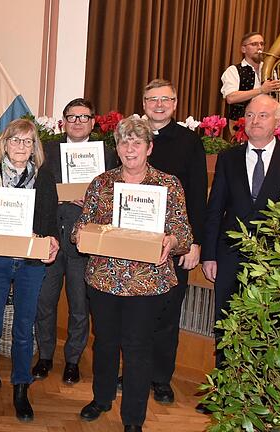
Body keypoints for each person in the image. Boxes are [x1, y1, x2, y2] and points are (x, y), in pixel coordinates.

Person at [73, 116, 192, 432]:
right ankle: (101, 399)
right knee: (105, 344)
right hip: (104, 279)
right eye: (124, 142)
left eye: (137, 142)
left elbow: (183, 232)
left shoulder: (168, 185)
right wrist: (83, 232)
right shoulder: (101, 183)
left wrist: (173, 241)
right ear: (117, 147)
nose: (130, 148)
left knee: (138, 351)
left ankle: (134, 419)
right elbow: (79, 227)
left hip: (147, 285)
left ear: (149, 148)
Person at [200, 95, 280, 405]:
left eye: (263, 115)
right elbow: (215, 209)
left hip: (276, 260)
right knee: (226, 324)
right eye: (249, 115)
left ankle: (259, 395)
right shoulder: (228, 157)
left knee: (270, 328)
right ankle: (224, 392)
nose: (255, 121)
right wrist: (209, 254)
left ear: (278, 122)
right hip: (230, 254)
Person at [0, 118, 60, 422]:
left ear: (35, 147)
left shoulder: (45, 179)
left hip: (31, 264)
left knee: (23, 329)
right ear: (4, 143)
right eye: (16, 140)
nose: (21, 146)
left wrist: (53, 242)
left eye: (27, 141)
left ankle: (21, 388)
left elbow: (50, 223)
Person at [33, 98, 118, 384]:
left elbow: (113, 200)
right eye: (72, 117)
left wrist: (93, 201)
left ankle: (72, 360)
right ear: (63, 121)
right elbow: (37, 192)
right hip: (52, 240)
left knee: (79, 308)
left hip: (85, 245)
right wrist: (64, 194)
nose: (78, 122)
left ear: (93, 122)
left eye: (84, 117)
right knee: (44, 303)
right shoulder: (48, 151)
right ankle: (45, 356)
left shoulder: (107, 155)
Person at [143, 79, 207, 404]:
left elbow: (198, 194)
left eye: (164, 99)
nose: (158, 105)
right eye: (152, 99)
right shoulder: (134, 137)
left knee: (168, 314)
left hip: (177, 243)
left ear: (175, 103)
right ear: (143, 103)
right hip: (137, 242)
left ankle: (161, 378)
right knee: (137, 313)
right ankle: (136, 372)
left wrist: (195, 243)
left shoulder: (189, 141)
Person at [221, 32, 280, 129]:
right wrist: (261, 90)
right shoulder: (233, 70)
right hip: (242, 123)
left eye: (262, 44)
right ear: (243, 49)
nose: (259, 47)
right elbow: (231, 98)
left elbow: (279, 100)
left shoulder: (271, 70)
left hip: (269, 123)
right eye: (254, 44)